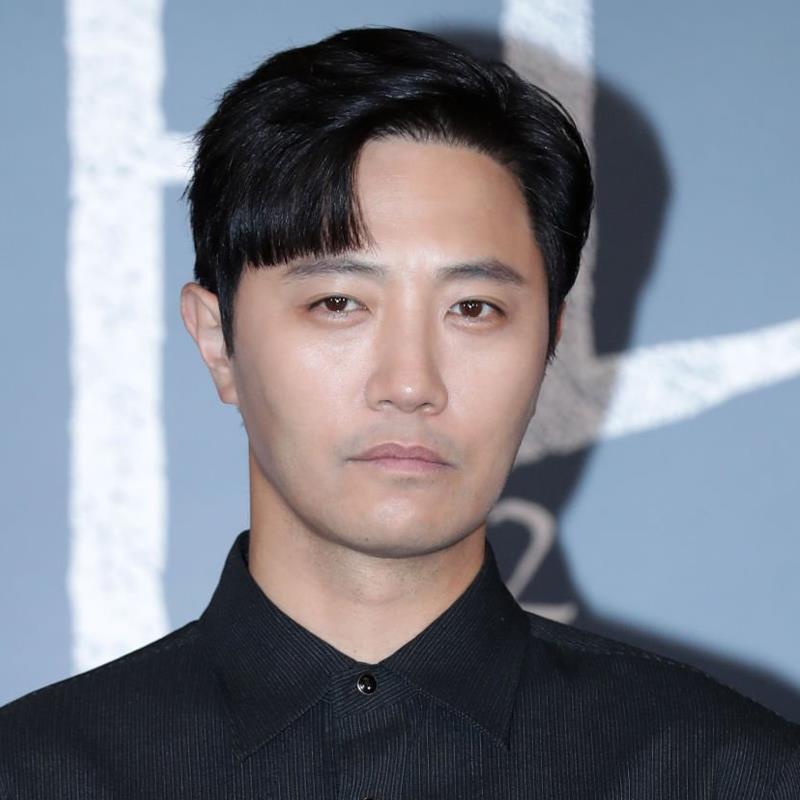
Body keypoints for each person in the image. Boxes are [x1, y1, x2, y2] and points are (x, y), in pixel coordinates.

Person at [1, 25, 798, 799]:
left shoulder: (724, 773)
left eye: (474, 309)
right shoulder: (36, 773)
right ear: (218, 341)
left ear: (549, 344)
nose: (411, 383)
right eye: (339, 303)